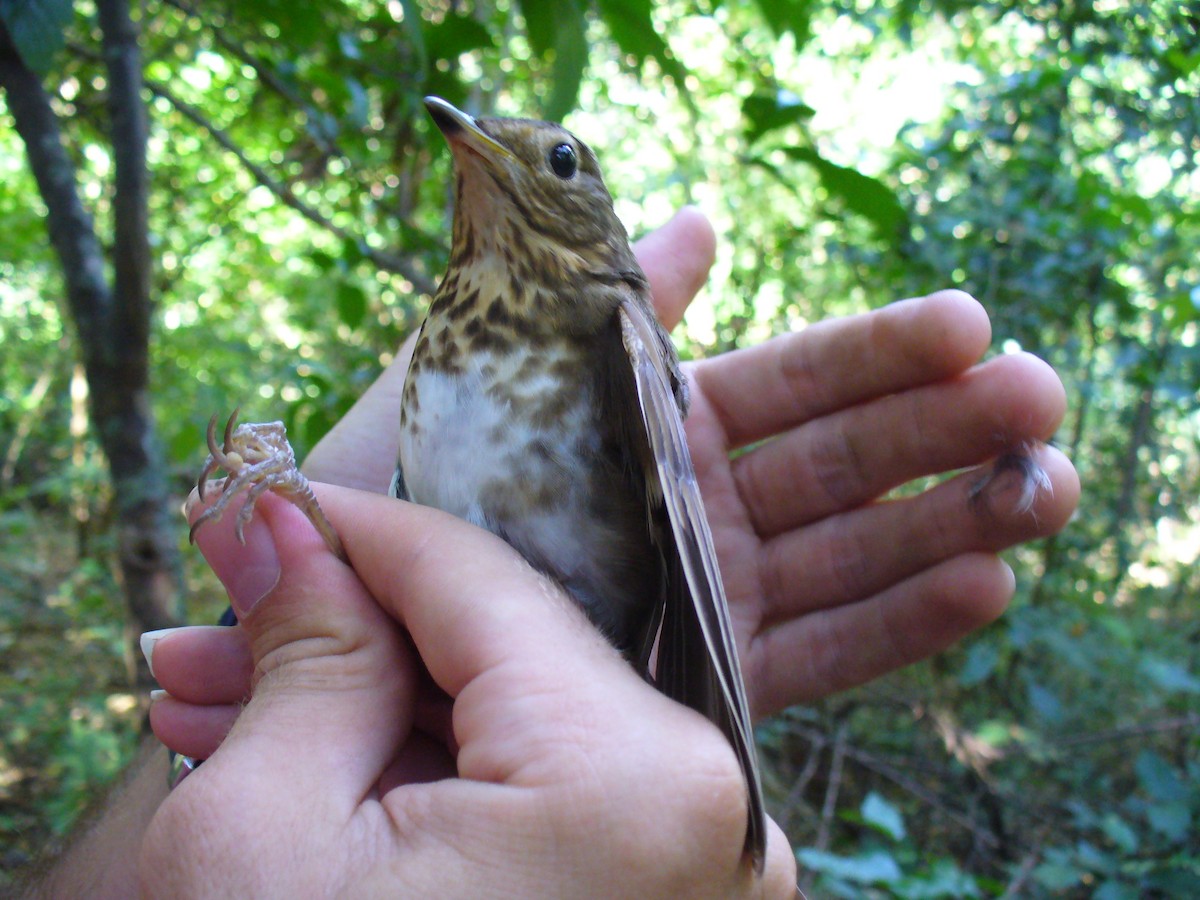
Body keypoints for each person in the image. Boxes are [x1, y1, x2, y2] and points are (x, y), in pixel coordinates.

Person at [22, 208, 1079, 897]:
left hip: (572, 637)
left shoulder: (606, 311)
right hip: (445, 672)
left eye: (557, 159)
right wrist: (302, 571)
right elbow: (413, 510)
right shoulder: (454, 309)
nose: (486, 154)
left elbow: (659, 550)